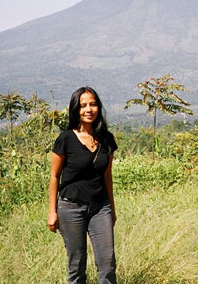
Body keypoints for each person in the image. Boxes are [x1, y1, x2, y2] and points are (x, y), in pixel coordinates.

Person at [48, 86, 118, 284]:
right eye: (83, 105)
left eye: (93, 104)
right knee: (77, 265)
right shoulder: (66, 139)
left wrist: (111, 209)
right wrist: (52, 212)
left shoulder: (107, 139)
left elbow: (107, 176)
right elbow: (54, 176)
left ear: (99, 107)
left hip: (100, 208)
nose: (89, 109)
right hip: (71, 207)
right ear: (75, 110)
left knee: (107, 264)